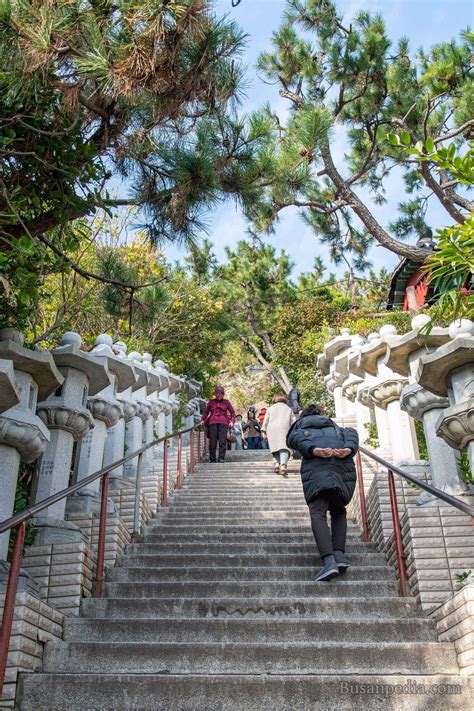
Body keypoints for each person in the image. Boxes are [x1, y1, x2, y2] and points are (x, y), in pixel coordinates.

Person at [287, 403, 359, 582]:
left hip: (316, 472)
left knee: (318, 513)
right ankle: (339, 555)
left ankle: (329, 562)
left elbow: (293, 440)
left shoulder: (299, 427)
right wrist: (349, 449)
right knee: (338, 511)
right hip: (341, 470)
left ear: (304, 416)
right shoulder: (336, 428)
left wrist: (313, 450)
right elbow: (351, 432)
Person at [262, 393, 296, 477]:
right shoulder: (288, 409)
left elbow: (265, 421)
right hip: (285, 428)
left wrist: (263, 431)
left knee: (275, 448)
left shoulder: (270, 409)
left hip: (272, 429)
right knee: (284, 447)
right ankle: (283, 465)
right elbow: (294, 422)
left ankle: (276, 464)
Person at [201, 386, 235, 463]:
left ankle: (221, 458)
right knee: (212, 442)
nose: (217, 395)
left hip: (223, 422)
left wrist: (232, 421)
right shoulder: (211, 402)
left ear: (223, 394)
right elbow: (206, 412)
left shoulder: (226, 402)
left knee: (222, 441)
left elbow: (232, 412)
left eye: (219, 394)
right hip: (212, 422)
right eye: (216, 394)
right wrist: (202, 419)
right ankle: (212, 459)